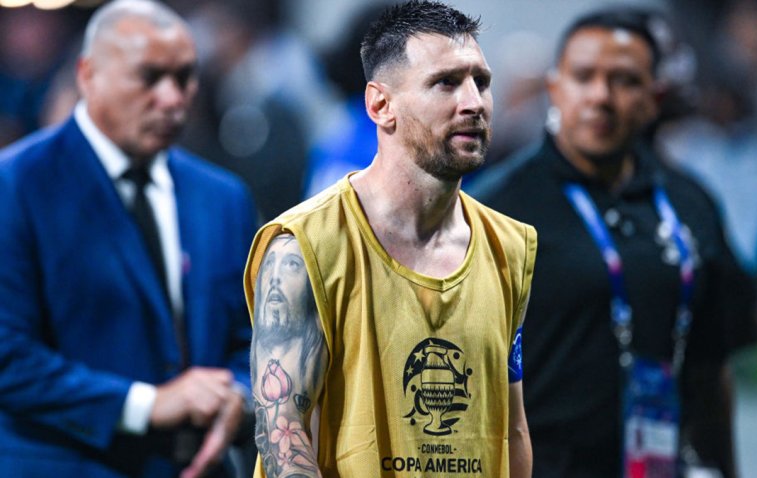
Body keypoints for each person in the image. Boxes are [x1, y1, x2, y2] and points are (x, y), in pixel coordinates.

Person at [244, 1, 536, 477]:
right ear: (381, 105)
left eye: (480, 82)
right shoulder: (304, 247)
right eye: (446, 82)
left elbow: (513, 427)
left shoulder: (509, 245)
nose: (473, 103)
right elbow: (283, 431)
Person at [470, 8, 757, 478]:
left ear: (654, 96)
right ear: (555, 88)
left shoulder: (690, 203)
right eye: (584, 77)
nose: (601, 97)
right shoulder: (496, 210)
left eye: (624, 80)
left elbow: (712, 367)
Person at [0, 1, 256, 477]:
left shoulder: (222, 197)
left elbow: (253, 339)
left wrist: (237, 397)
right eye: (150, 76)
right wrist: (144, 404)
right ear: (88, 74)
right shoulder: (16, 185)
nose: (173, 98)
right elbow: (7, 355)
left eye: (185, 77)